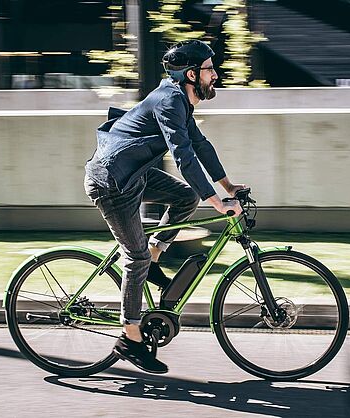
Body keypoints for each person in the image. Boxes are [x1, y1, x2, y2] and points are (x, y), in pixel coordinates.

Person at [84, 39, 245, 374]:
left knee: (185, 197)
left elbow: (199, 144)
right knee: (135, 257)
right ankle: (130, 338)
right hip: (112, 183)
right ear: (190, 73)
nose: (215, 75)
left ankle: (154, 258)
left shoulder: (179, 99)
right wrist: (216, 202)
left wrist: (227, 186)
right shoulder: (169, 99)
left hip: (134, 174)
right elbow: (182, 155)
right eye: (209, 69)